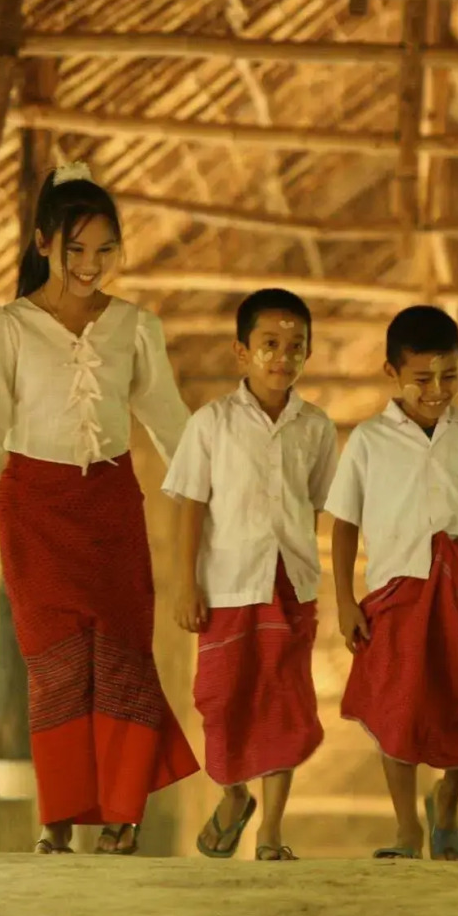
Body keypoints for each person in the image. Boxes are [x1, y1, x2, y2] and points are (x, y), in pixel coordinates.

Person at [0, 162, 200, 856]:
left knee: (123, 656)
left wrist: (218, 490)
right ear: (42, 244)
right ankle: (55, 822)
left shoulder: (134, 327)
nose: (91, 265)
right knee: (58, 663)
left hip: (113, 507)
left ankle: (121, 819)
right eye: (75, 250)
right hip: (33, 507)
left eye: (104, 250)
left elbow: (168, 419)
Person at [325, 306, 458, 861]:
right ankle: (408, 829)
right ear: (391, 372)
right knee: (395, 709)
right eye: (422, 378)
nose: (437, 390)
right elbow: (344, 524)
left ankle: (447, 802)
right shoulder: (367, 441)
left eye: (449, 375)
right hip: (395, 590)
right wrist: (343, 601)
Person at [162, 288, 336, 862]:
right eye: (269, 344)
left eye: (295, 346)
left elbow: (318, 505)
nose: (282, 357)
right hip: (227, 584)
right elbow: (189, 505)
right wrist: (185, 584)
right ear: (242, 353)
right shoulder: (211, 423)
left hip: (290, 586)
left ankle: (271, 834)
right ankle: (234, 796)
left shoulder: (315, 428)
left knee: (283, 704)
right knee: (220, 699)